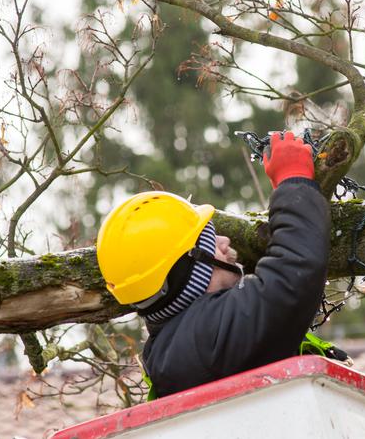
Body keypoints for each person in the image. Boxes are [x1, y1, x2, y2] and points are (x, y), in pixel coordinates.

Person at [96, 131, 331, 398]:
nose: (224, 241)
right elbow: (291, 278)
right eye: (208, 240)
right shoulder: (206, 338)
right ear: (189, 274)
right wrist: (293, 180)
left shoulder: (177, 347)